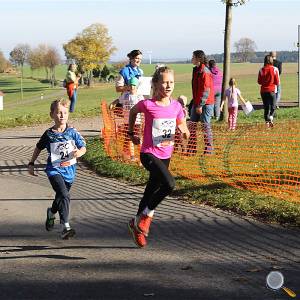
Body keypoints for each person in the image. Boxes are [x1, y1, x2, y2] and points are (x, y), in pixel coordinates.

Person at [127, 66, 190, 248]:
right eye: (164, 82)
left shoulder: (177, 106)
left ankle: (135, 224)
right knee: (169, 184)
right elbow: (132, 112)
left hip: (166, 154)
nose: (168, 86)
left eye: (171, 82)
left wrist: (184, 133)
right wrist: (132, 133)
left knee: (150, 191)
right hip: (148, 153)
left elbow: (183, 126)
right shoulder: (148, 105)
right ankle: (146, 217)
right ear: (155, 84)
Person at [28, 98, 86, 239]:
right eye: (59, 112)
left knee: (61, 196)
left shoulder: (72, 132)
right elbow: (38, 147)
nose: (62, 115)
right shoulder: (49, 134)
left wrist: (80, 152)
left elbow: (83, 145)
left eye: (65, 113)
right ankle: (65, 227)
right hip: (54, 170)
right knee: (65, 195)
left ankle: (51, 212)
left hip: (69, 171)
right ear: (52, 115)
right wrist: (31, 163)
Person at [189, 50, 215, 154]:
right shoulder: (196, 70)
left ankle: (209, 149)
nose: (191, 58)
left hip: (206, 103)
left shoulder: (205, 72)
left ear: (198, 59)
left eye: (193, 57)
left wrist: (200, 105)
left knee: (205, 126)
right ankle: (192, 148)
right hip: (196, 102)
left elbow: (206, 90)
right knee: (192, 125)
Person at [118, 76, 144, 160]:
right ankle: (131, 156)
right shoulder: (125, 95)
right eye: (131, 85)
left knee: (138, 138)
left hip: (137, 121)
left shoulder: (139, 96)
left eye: (134, 85)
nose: (132, 87)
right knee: (129, 138)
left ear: (137, 86)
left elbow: (143, 108)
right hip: (127, 121)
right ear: (128, 86)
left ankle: (143, 155)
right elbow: (119, 101)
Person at [258, 55, 279, 128]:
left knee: (266, 107)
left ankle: (267, 123)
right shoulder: (275, 69)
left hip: (263, 91)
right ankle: (271, 117)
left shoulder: (261, 70)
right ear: (271, 60)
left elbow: (259, 82)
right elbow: (277, 82)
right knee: (273, 106)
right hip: (272, 90)